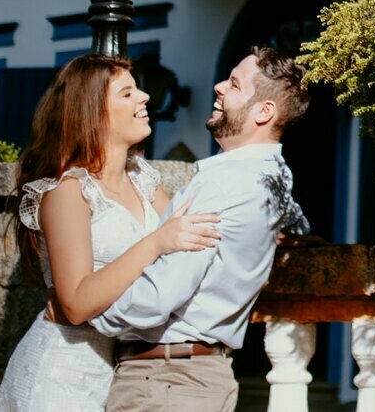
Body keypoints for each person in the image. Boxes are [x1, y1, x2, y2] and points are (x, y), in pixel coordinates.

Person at [0, 55, 223, 412]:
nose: (144, 97)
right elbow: (75, 303)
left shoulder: (143, 182)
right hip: (59, 377)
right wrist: (155, 243)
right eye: (127, 93)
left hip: (118, 373)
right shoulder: (68, 190)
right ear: (93, 111)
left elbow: (192, 235)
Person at [93, 45, 311, 412]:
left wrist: (88, 307)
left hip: (165, 381)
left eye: (235, 84)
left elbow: (159, 298)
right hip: (199, 377)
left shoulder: (226, 184)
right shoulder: (274, 175)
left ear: (264, 111)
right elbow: (299, 227)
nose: (218, 87)